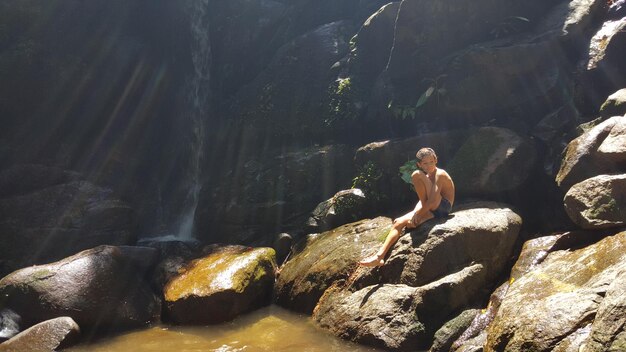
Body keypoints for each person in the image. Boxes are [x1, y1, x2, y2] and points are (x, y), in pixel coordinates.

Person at [358, 147, 455, 267]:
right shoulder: (427, 177)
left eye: (431, 161)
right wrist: (415, 213)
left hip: (443, 207)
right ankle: (379, 256)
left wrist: (419, 215)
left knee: (416, 174)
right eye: (425, 163)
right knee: (398, 222)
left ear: (436, 160)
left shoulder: (440, 174)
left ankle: (427, 216)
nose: (429, 165)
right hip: (432, 206)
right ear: (419, 164)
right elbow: (423, 201)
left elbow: (432, 201)